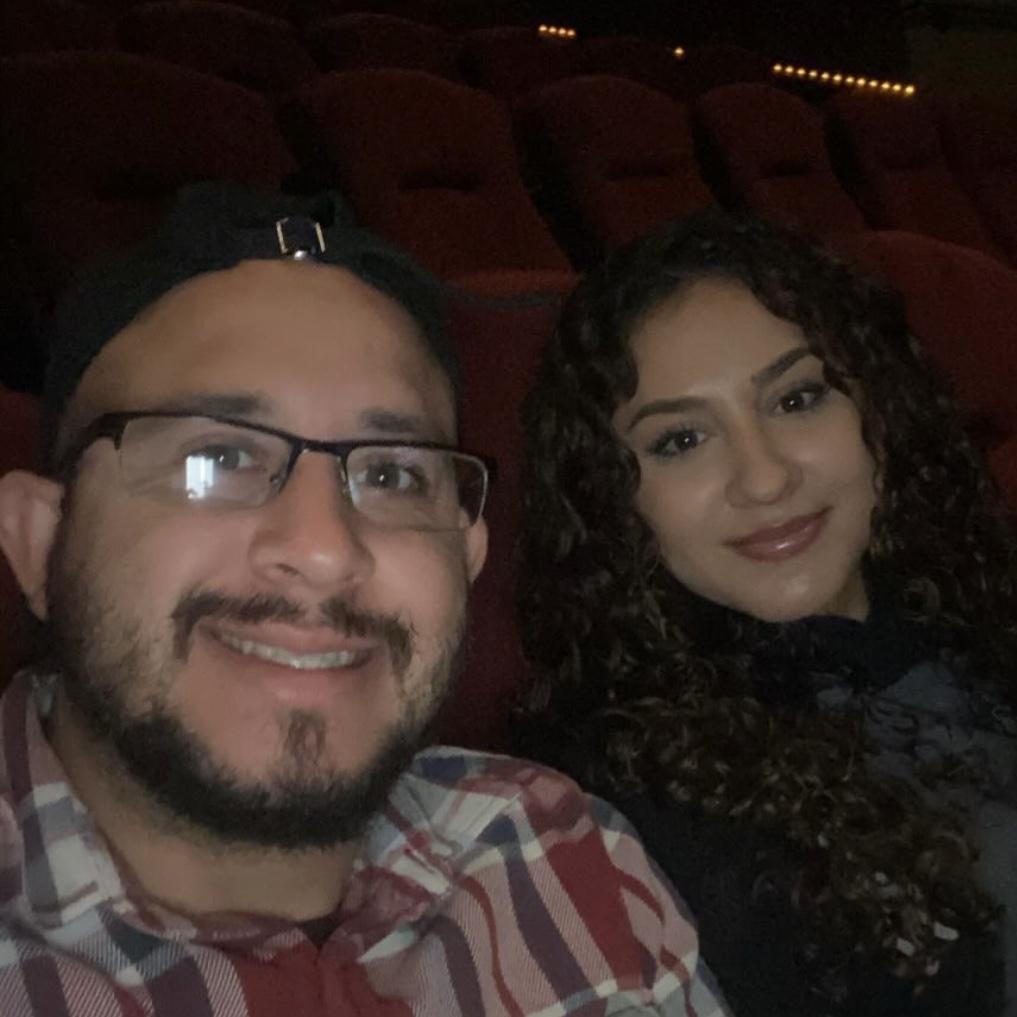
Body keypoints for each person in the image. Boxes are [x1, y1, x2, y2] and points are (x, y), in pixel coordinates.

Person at [0, 184, 729, 1017]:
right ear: (40, 543)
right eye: (216, 458)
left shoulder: (556, 849)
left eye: (391, 474)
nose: (324, 548)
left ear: (468, 555)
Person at [513, 210, 1017, 1017]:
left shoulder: (980, 604)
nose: (764, 477)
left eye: (796, 397)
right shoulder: (627, 802)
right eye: (680, 440)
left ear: (876, 409)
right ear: (610, 496)